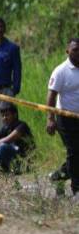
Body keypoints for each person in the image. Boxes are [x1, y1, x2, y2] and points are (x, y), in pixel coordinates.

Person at [46, 38, 79, 199]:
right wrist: (50, 119)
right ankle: (76, 189)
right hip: (65, 118)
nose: (78, 53)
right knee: (74, 151)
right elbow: (51, 96)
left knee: (77, 153)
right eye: (75, 50)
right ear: (68, 51)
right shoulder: (61, 71)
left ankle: (58, 176)